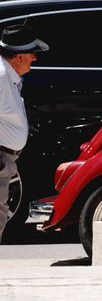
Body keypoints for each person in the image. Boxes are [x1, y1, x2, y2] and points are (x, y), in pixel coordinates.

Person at [0, 25, 49, 240]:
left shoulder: (7, 76)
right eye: (32, 54)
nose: (34, 59)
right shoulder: (1, 77)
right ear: (19, 56)